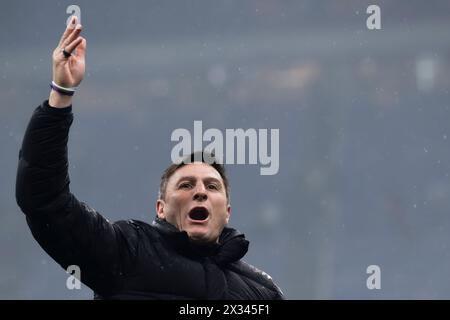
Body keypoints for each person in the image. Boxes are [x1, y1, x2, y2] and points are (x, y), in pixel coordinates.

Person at [15, 16, 284, 300]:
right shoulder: (129, 252)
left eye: (212, 186)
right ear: (160, 208)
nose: (201, 192)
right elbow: (44, 201)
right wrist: (61, 95)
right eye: (185, 185)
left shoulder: (261, 292)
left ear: (227, 211)